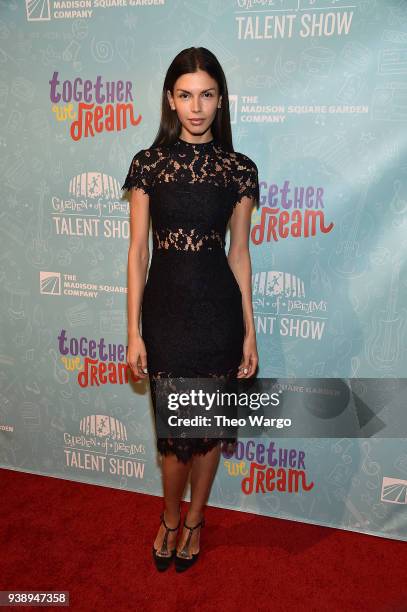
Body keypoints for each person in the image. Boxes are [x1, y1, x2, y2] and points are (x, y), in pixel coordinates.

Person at [122, 47, 260, 573]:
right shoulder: (148, 164)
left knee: (208, 433)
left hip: (220, 314)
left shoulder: (239, 169)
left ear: (220, 100)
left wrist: (249, 331)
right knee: (175, 438)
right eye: (185, 95)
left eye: (206, 94)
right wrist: (133, 331)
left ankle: (196, 519)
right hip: (165, 315)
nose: (196, 106)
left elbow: (240, 254)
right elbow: (138, 253)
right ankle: (170, 516)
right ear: (170, 100)